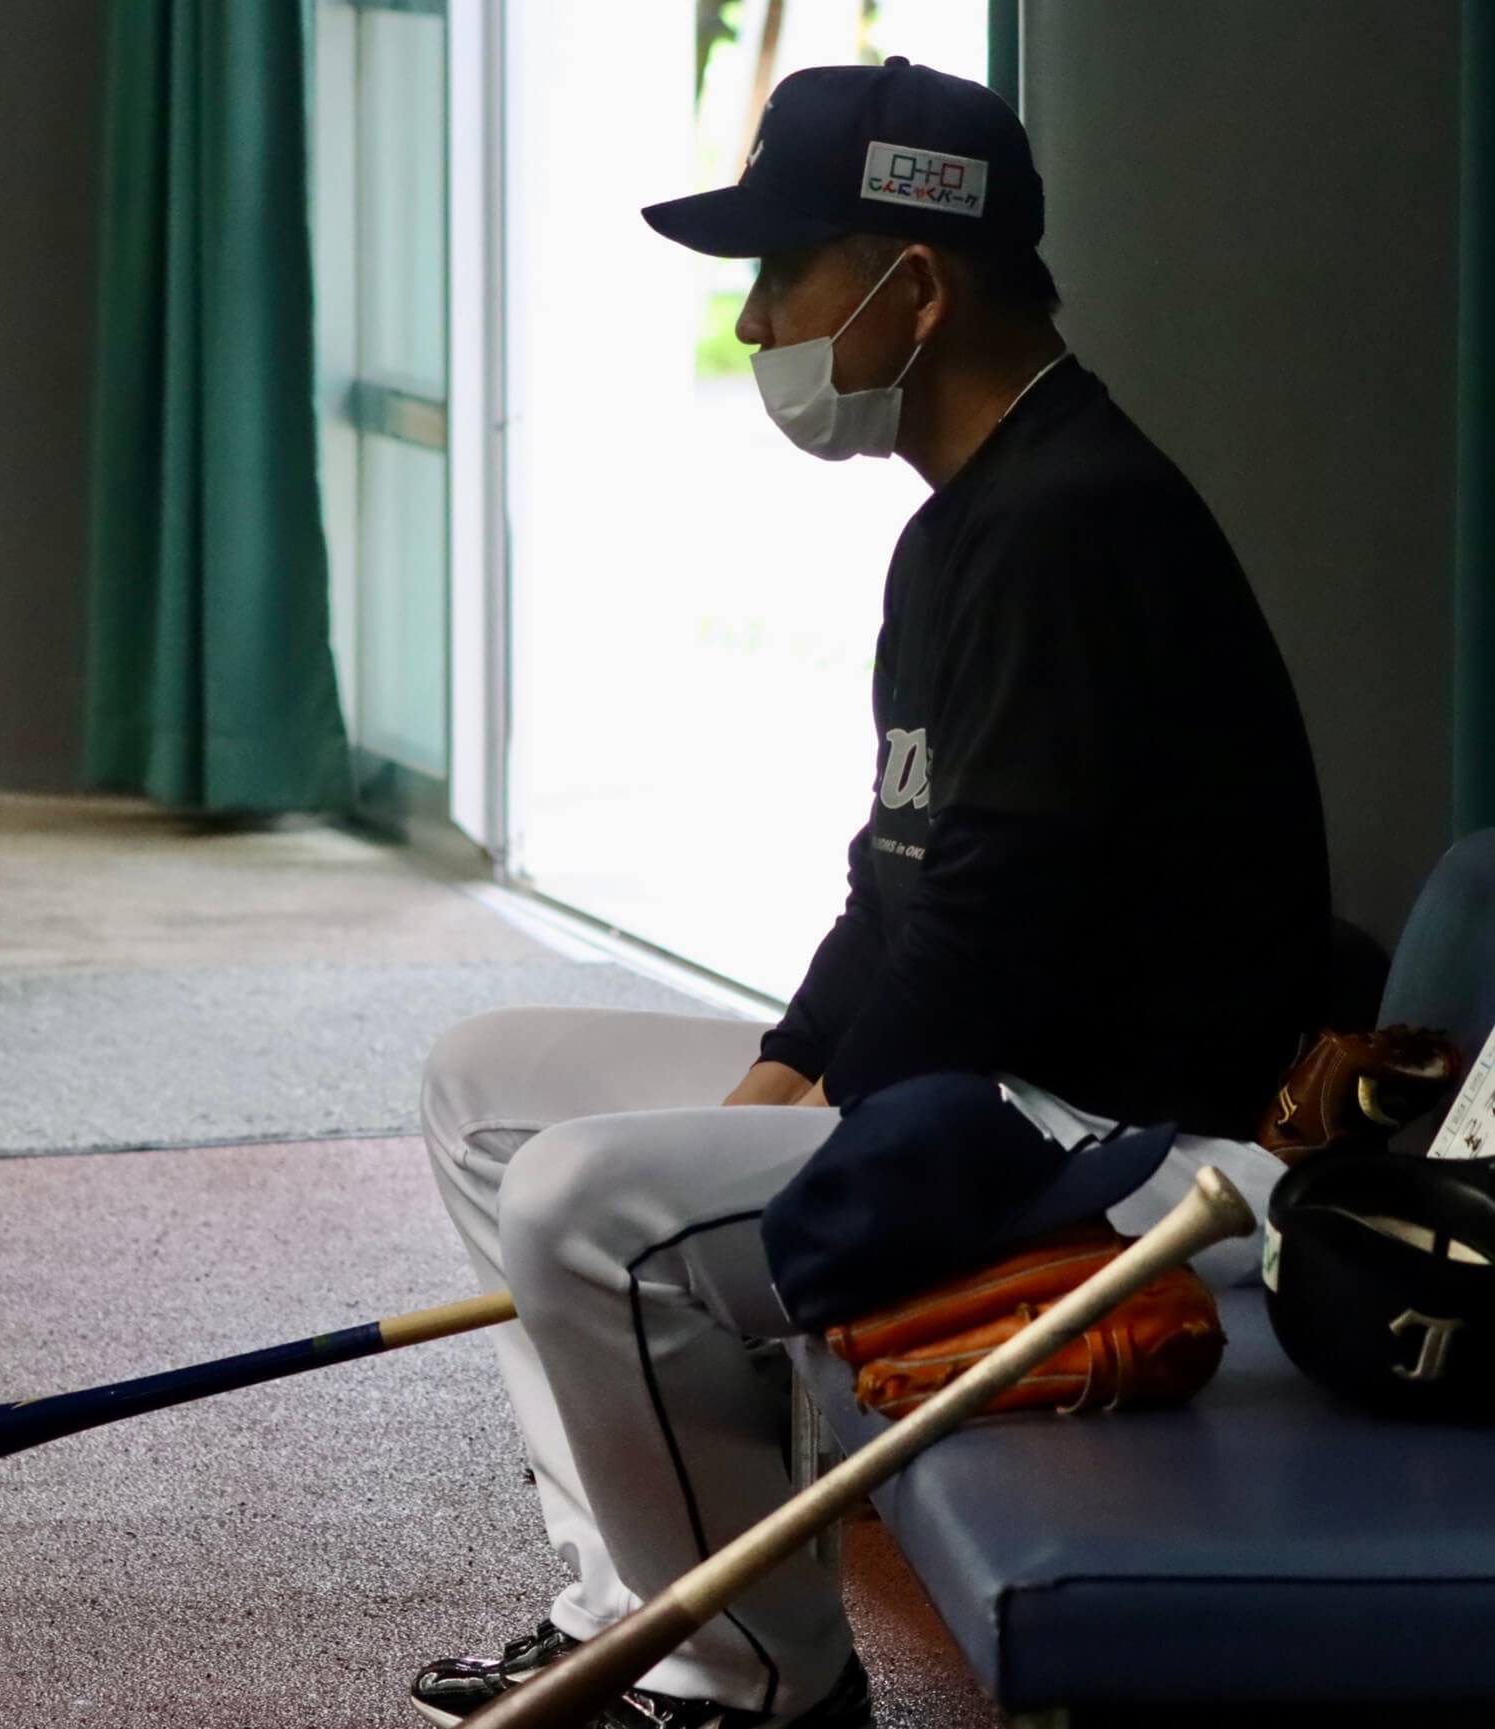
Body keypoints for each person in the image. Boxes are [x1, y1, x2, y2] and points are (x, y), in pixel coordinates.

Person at [409, 57, 1329, 1729]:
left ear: (912, 283)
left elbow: (978, 944)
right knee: (489, 1088)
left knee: (578, 1208)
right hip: (990, 1088)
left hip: (1122, 1159)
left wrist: (797, 1135)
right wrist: (779, 1070)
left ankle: (745, 1681)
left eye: (782, 270)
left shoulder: (1073, 522)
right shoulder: (972, 513)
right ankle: (628, 1603)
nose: (757, 324)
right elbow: (896, 877)